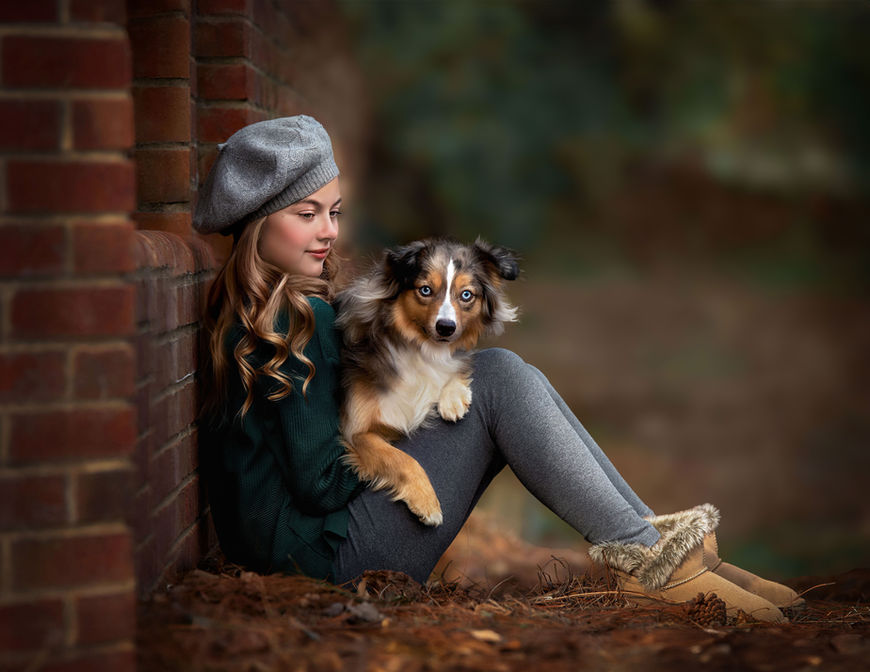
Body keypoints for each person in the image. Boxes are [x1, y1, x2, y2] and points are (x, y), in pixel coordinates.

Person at [193, 115, 802, 623]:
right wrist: (415, 420)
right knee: (499, 380)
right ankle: (654, 560)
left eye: (334, 210)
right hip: (325, 566)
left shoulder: (263, 310)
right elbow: (320, 481)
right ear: (257, 224)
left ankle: (665, 553)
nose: (328, 231)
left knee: (501, 375)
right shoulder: (291, 323)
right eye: (306, 214)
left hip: (315, 550)